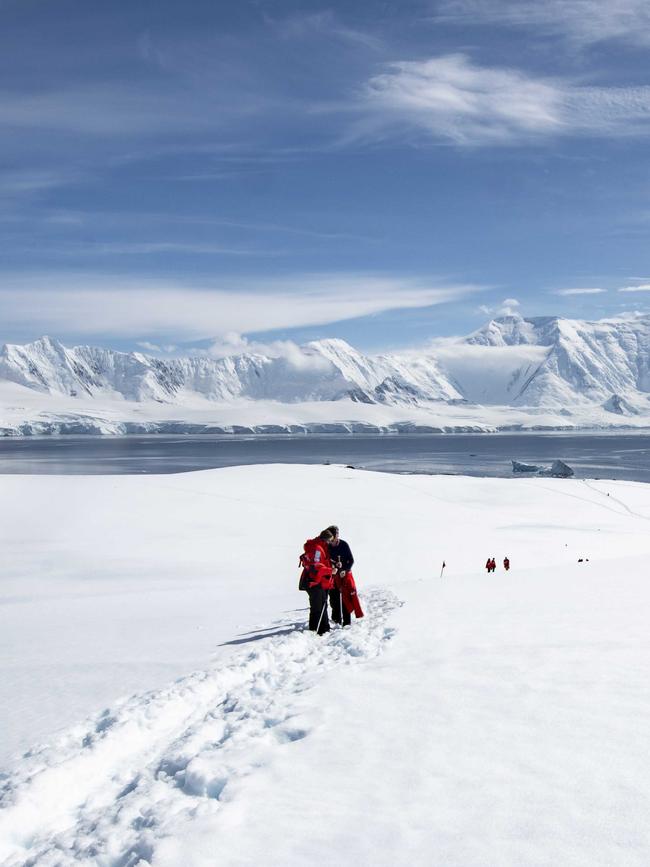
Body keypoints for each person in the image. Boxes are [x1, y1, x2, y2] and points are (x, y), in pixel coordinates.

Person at [299, 529, 335, 635]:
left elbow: (319, 562)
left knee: (322, 604)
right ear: (326, 539)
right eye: (330, 541)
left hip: (317, 581)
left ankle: (323, 628)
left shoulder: (318, 546)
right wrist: (330, 570)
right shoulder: (317, 548)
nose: (330, 543)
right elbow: (316, 566)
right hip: (315, 582)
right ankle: (316, 630)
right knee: (318, 606)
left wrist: (332, 564)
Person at [326, 525, 359, 625]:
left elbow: (351, 560)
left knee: (345, 599)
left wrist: (345, 568)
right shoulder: (326, 546)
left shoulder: (344, 545)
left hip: (343, 575)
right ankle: (336, 620)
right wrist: (332, 566)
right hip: (332, 576)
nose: (337, 536)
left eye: (337, 534)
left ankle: (347, 622)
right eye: (335, 534)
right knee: (334, 599)